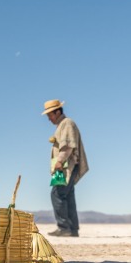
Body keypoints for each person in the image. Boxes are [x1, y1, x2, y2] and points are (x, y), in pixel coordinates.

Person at [42, 100, 89, 237]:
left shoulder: (67, 123)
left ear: (58, 112)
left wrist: (60, 161)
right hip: (66, 166)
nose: (49, 118)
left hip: (66, 166)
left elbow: (68, 145)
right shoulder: (62, 125)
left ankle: (64, 228)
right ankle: (73, 229)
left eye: (50, 115)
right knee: (68, 195)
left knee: (57, 193)